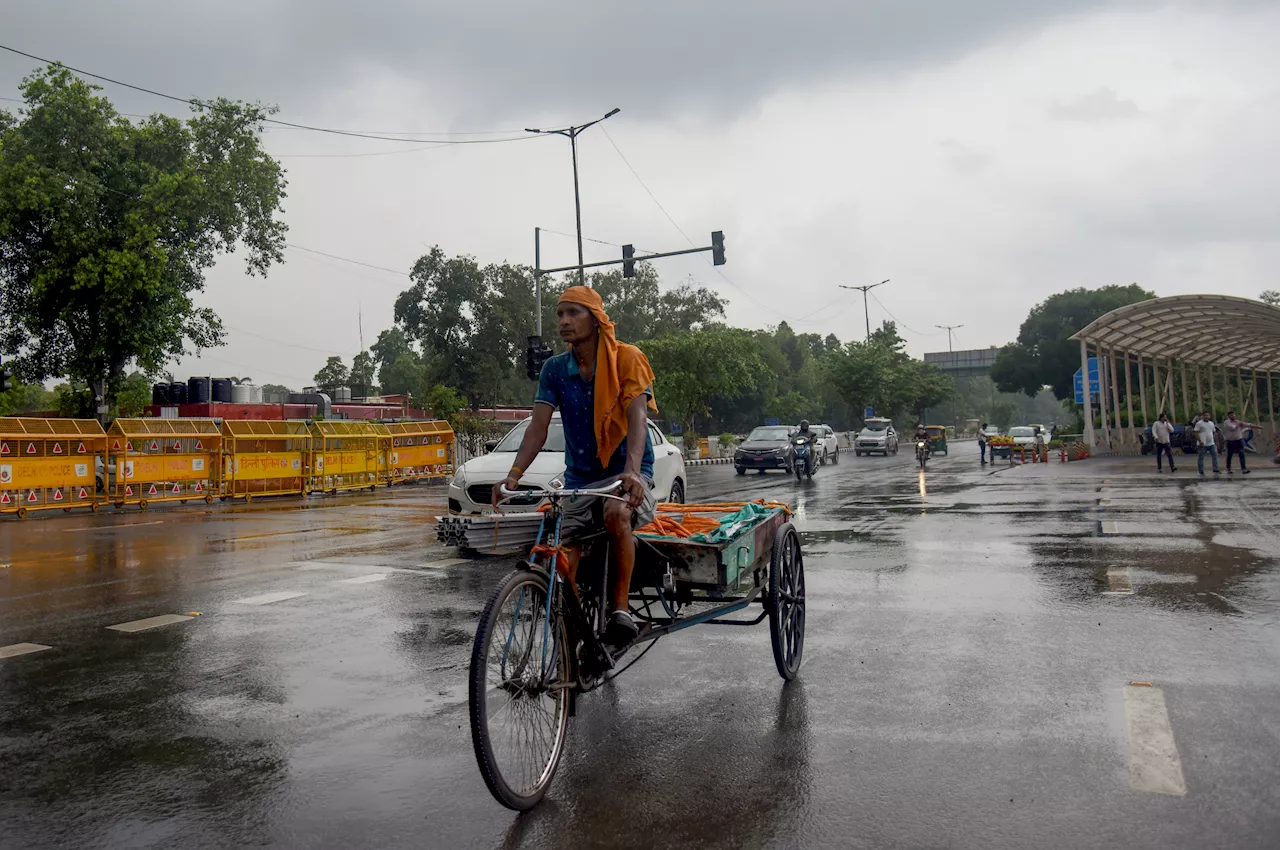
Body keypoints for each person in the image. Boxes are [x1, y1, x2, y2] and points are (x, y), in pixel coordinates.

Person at [493, 286, 658, 649]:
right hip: (581, 479)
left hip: (625, 476)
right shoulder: (554, 370)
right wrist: (514, 475)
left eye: (573, 313)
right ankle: (573, 631)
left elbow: (638, 417)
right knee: (554, 550)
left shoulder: (627, 359)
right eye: (560, 314)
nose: (564, 321)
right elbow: (537, 427)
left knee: (616, 513)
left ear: (596, 319)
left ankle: (620, 612)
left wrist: (632, 471)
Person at [1221, 410, 1255, 475]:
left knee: (1241, 454)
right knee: (1229, 455)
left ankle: (1243, 469)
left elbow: (1248, 424)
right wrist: (1238, 424)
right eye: (1231, 415)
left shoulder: (1237, 422)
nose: (1233, 416)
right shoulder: (1227, 422)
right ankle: (1228, 468)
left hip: (1239, 440)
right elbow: (1233, 428)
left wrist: (1258, 427)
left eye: (1234, 415)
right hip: (1230, 441)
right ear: (1228, 416)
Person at [1193, 411, 1220, 476]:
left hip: (1211, 443)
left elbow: (1214, 432)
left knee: (1215, 456)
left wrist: (1216, 441)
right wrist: (1200, 441)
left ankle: (1215, 469)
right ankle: (1201, 471)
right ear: (1202, 416)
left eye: (1208, 415)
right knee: (1201, 457)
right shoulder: (1199, 423)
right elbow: (1196, 433)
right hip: (1202, 443)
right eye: (1205, 415)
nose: (1206, 416)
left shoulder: (1211, 423)